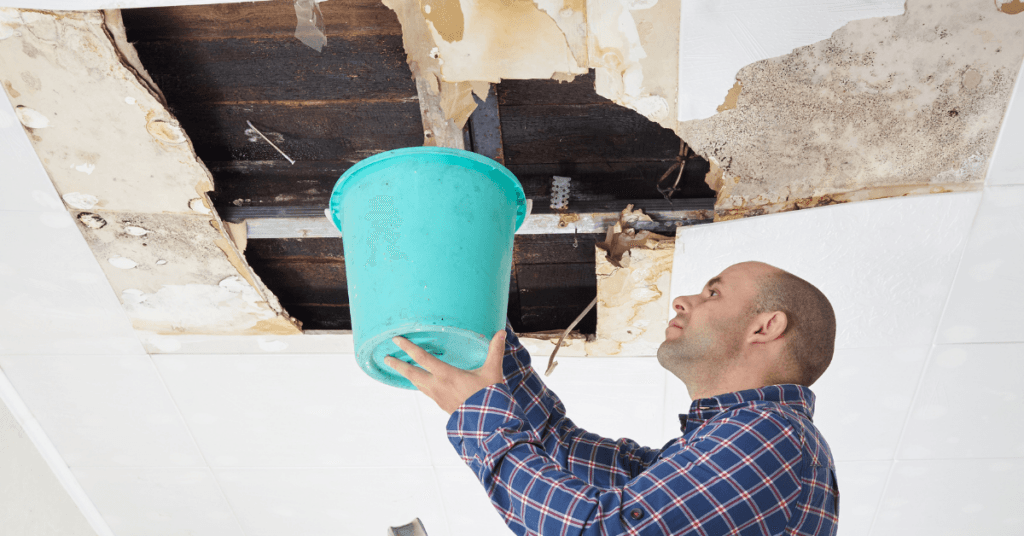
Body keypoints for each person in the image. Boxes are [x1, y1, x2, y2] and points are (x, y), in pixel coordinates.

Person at [386, 260, 840, 535]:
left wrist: (479, 416)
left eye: (713, 293)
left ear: (766, 327)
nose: (683, 300)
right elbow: (557, 446)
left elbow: (603, 531)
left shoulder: (773, 435)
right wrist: (482, 326)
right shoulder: (718, 443)